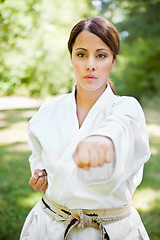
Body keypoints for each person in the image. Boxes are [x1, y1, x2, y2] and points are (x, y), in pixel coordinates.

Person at [20, 16, 151, 240]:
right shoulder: (49, 111)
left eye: (101, 55)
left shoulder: (126, 107)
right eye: (81, 54)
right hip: (50, 227)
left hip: (110, 230)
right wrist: (41, 176)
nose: (90, 64)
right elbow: (40, 160)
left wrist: (102, 141)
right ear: (71, 57)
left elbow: (118, 128)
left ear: (113, 60)